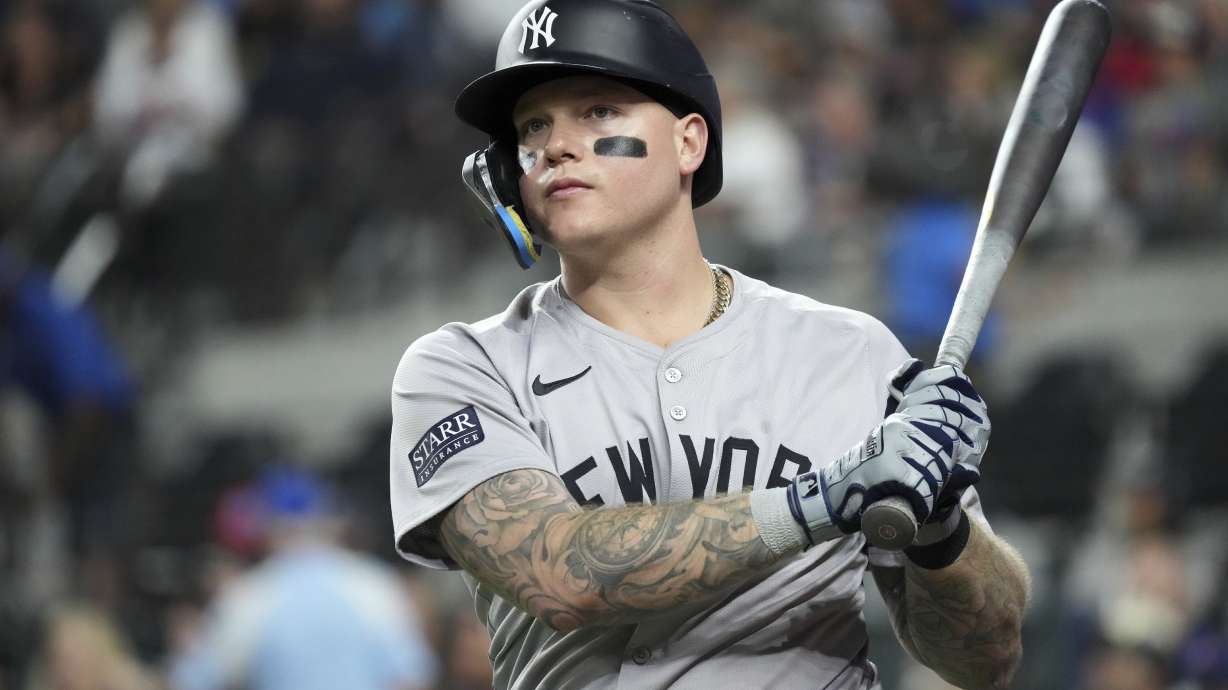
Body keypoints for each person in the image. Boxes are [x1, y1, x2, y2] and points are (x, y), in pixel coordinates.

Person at [388, 1, 1030, 688]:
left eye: (599, 112)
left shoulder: (849, 352)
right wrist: (826, 497)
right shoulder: (463, 368)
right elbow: (559, 574)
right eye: (532, 126)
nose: (555, 145)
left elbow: (984, 659)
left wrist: (940, 527)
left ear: (689, 143)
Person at [170, 467, 438, 690]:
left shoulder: (251, 595)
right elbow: (413, 678)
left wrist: (188, 643)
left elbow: (195, 680)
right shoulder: (373, 584)